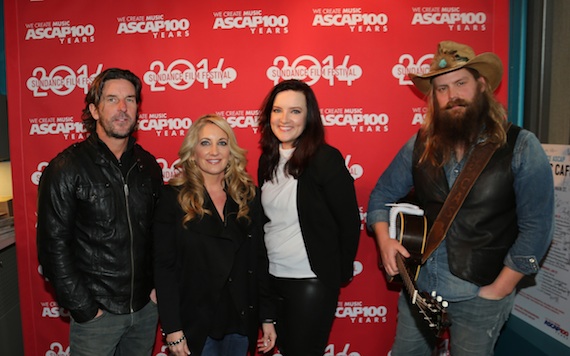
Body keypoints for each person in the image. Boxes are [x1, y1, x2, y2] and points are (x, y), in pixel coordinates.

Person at [367, 40, 555, 356]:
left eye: (460, 83)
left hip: (480, 296)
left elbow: (538, 230)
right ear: (434, 99)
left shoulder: (521, 146)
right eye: (442, 89)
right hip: (421, 287)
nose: (452, 95)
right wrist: (385, 241)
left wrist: (499, 289)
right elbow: (380, 196)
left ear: (481, 86)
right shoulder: (420, 145)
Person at [37, 68, 163, 355]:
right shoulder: (66, 168)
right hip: (97, 316)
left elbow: (159, 235)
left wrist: (156, 290)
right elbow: (52, 247)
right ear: (94, 110)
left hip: (145, 310)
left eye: (130, 99)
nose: (123, 108)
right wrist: (85, 308)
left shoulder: (148, 167)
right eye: (112, 99)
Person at [153, 114, 277, 356]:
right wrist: (172, 328)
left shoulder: (249, 197)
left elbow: (260, 261)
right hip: (196, 324)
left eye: (222, 142)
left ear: (231, 151)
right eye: (205, 143)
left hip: (240, 321)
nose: (214, 151)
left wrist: (268, 316)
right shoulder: (172, 199)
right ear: (193, 151)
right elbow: (164, 268)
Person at [257, 79, 361, 355]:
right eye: (278, 110)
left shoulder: (325, 159)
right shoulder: (266, 160)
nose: (285, 119)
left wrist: (335, 272)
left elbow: (349, 221)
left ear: (309, 116)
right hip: (273, 277)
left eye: (295, 111)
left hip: (310, 280)